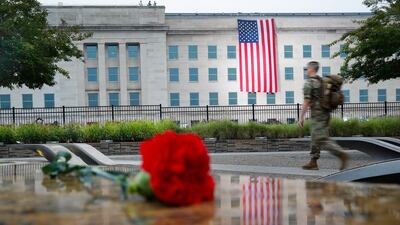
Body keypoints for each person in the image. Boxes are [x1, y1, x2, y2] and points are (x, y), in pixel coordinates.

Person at [299, 61, 348, 170]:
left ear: (311, 69)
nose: (306, 71)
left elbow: (306, 101)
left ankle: (340, 153)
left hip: (318, 114)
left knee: (321, 138)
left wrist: (301, 117)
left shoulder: (310, 83)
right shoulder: (321, 81)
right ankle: (313, 161)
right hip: (325, 113)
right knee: (315, 137)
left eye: (307, 69)